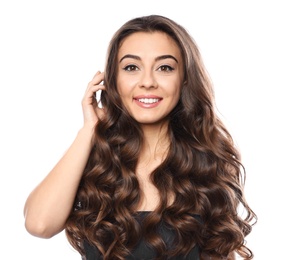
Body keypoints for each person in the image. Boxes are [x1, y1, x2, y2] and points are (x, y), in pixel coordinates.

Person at [23, 14, 257, 260]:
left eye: (164, 68)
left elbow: (221, 251)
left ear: (184, 79)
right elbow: (39, 224)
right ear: (112, 80)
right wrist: (89, 130)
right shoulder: (93, 164)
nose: (147, 82)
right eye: (131, 67)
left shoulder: (207, 165)